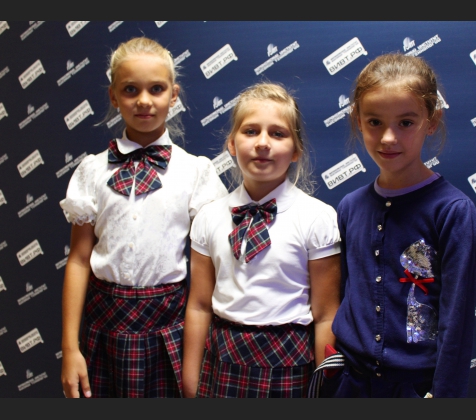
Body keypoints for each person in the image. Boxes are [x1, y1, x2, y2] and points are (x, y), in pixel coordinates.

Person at [59, 37, 228, 398]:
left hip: (170, 327)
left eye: (156, 89)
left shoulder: (195, 172)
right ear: (113, 96)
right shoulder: (91, 171)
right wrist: (70, 348)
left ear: (174, 95)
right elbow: (78, 260)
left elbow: (210, 269)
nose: (144, 101)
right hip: (102, 328)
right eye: (130, 89)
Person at [318, 53, 476, 398]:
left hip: (414, 388)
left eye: (406, 122)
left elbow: (457, 322)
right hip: (349, 383)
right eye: (375, 122)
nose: (388, 138)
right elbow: (343, 296)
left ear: (432, 121)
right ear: (357, 121)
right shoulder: (350, 207)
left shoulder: (453, 211)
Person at [182, 82, 341, 398]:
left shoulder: (318, 218)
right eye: (251, 131)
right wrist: (190, 379)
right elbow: (199, 306)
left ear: (296, 150)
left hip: (290, 362)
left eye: (278, 134)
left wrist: (324, 387)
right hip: (223, 359)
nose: (263, 143)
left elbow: (326, 314)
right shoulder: (208, 217)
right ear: (231, 143)